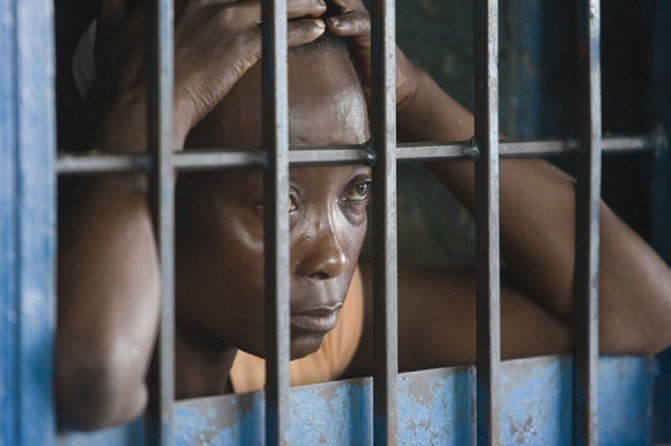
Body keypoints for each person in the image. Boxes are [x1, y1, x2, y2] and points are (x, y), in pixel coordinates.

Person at [56, 0, 671, 432]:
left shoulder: (309, 339)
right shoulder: (52, 338)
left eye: (356, 192)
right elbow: (97, 375)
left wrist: (414, 97)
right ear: (162, 184)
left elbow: (639, 313)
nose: (330, 257)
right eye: (279, 202)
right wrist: (142, 112)